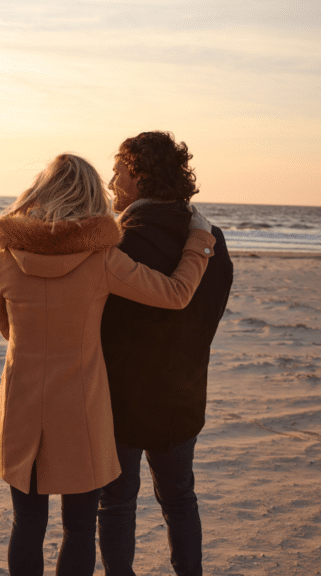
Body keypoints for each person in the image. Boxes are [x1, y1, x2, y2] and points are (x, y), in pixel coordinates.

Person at [0, 153, 217, 576]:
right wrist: (199, 240)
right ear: (91, 196)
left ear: (41, 192)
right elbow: (176, 293)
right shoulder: (102, 258)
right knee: (78, 527)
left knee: (27, 524)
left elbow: (6, 327)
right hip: (81, 411)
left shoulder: (6, 254)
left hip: (21, 409)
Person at [97, 132, 234, 576]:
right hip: (183, 393)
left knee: (116, 503)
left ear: (138, 175)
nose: (113, 181)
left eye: (118, 172)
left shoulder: (121, 243)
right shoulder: (212, 239)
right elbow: (208, 316)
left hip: (122, 399)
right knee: (180, 499)